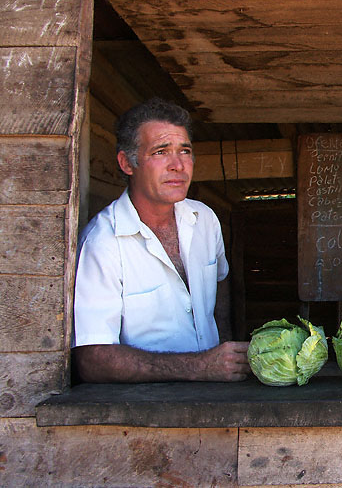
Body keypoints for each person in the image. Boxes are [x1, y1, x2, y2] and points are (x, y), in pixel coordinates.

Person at [72, 98, 250, 382]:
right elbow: (93, 359)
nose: (178, 165)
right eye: (161, 152)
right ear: (127, 163)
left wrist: (223, 349)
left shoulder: (204, 219)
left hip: (216, 398)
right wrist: (201, 367)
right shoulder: (103, 243)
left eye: (185, 151)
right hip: (145, 409)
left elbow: (220, 280)